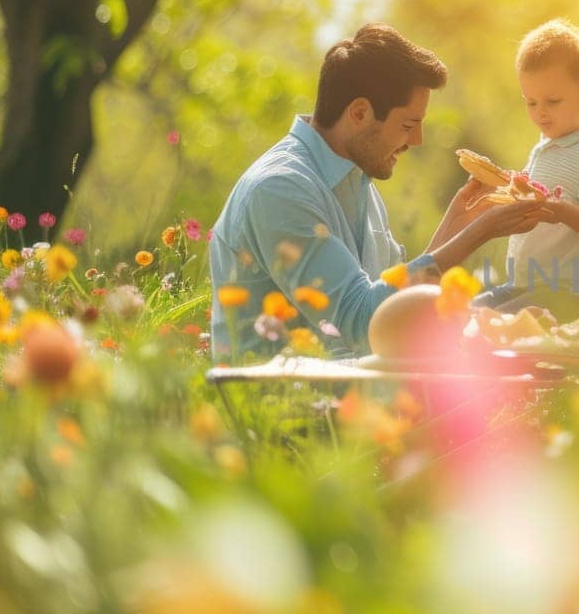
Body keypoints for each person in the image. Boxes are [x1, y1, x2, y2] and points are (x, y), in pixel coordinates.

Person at [209, 23, 548, 361]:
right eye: (407, 125)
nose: (416, 141)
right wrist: (479, 233)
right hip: (278, 406)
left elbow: (393, 308)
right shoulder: (280, 190)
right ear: (359, 113)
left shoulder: (359, 183)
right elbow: (363, 324)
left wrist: (457, 224)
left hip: (350, 399)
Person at [472, 20, 579, 319]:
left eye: (552, 101)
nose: (540, 112)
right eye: (531, 102)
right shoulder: (545, 148)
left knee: (494, 325)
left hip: (562, 293)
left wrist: (561, 210)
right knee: (466, 314)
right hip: (522, 284)